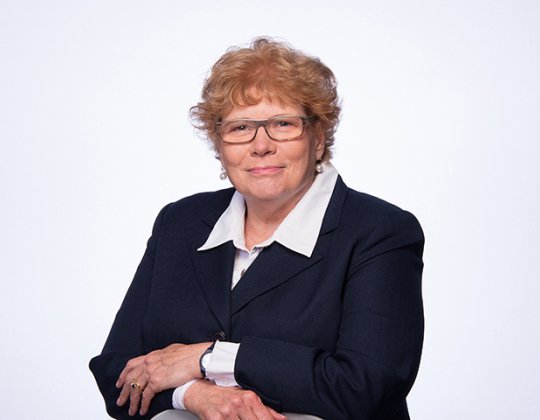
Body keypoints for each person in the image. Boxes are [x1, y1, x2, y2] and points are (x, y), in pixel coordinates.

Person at [90, 37, 425, 420]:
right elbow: (117, 373)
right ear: (219, 145)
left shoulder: (379, 231)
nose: (260, 145)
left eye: (283, 124)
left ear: (318, 138)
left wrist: (207, 359)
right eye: (240, 128)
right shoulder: (180, 223)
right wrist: (191, 394)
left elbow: (366, 386)